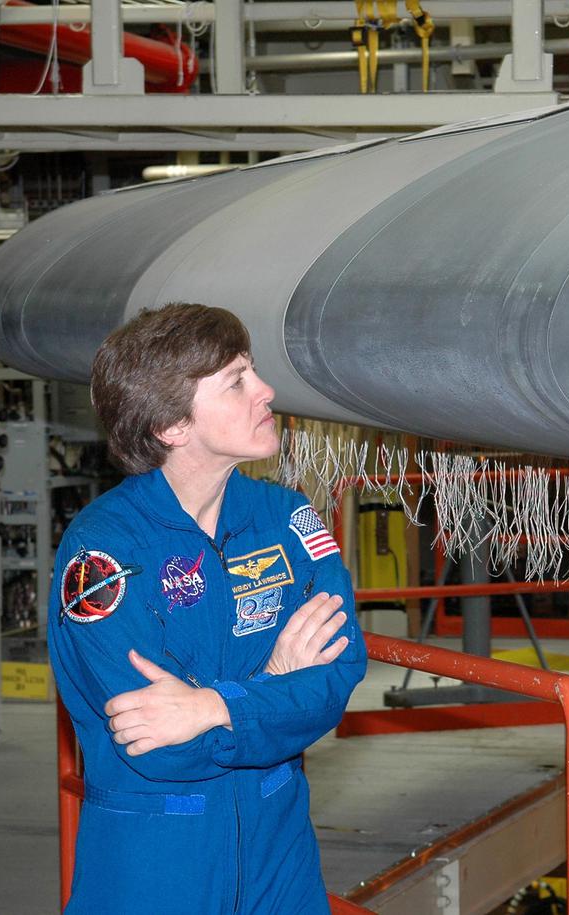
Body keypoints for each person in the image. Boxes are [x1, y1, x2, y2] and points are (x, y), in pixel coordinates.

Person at [48, 302, 366, 914]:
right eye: (237, 381)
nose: (266, 391)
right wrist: (275, 684)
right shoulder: (104, 552)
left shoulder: (286, 519)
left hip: (281, 860)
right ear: (172, 426)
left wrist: (212, 706)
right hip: (155, 861)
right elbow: (161, 744)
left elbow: (337, 679)